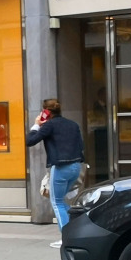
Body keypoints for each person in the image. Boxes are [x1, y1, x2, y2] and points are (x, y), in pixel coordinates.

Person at [26, 98, 85, 247]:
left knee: (56, 202)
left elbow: (30, 141)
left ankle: (66, 239)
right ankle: (77, 227)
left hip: (60, 168)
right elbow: (81, 145)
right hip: (76, 167)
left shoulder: (49, 125)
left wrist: (36, 125)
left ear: (46, 112)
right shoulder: (73, 124)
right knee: (62, 201)